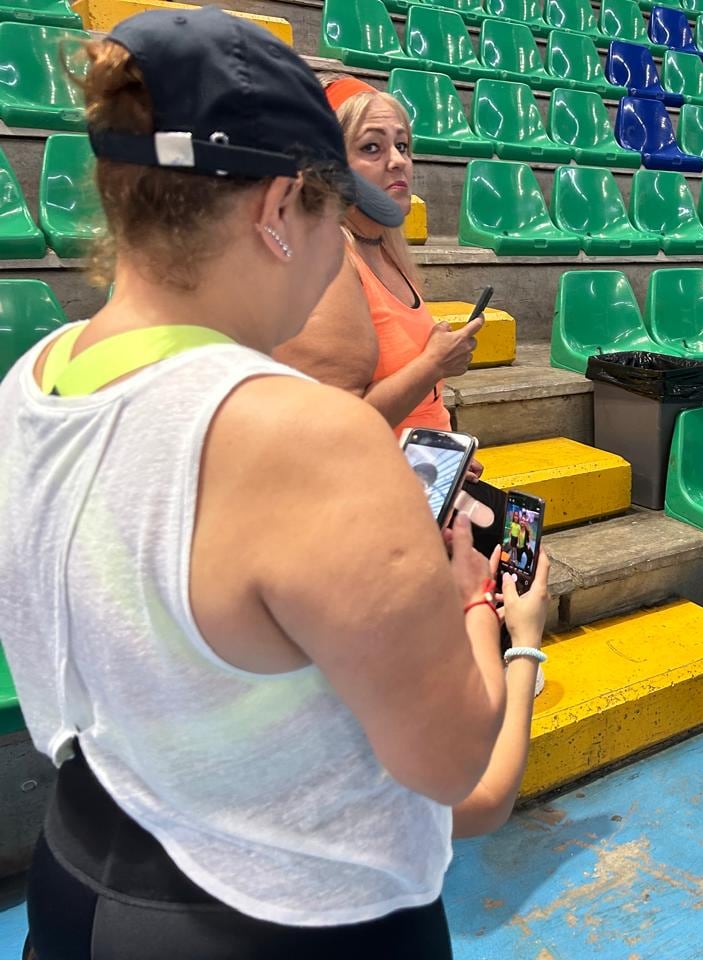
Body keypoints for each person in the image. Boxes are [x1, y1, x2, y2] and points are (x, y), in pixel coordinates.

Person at [0, 11, 548, 958]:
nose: (342, 248)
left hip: (83, 875)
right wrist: (492, 620)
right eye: (331, 214)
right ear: (279, 210)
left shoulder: (37, 378)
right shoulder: (307, 438)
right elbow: (455, 769)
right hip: (285, 919)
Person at [273, 73, 481, 442]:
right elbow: (336, 430)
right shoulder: (328, 261)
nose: (398, 161)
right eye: (372, 148)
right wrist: (433, 364)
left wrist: (448, 454)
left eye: (402, 145)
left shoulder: (384, 247)